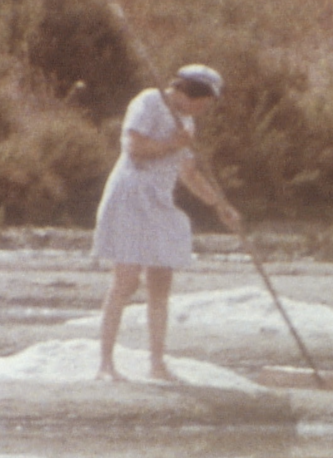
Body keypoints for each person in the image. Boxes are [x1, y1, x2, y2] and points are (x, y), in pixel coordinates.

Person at [92, 64, 241, 382]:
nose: (204, 109)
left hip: (159, 202)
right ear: (189, 92)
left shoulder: (186, 122)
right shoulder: (149, 102)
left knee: (160, 284)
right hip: (130, 196)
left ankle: (156, 364)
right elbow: (134, 148)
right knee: (126, 281)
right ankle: (105, 364)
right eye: (203, 101)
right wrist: (174, 144)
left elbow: (188, 174)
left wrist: (220, 206)